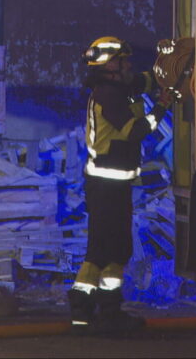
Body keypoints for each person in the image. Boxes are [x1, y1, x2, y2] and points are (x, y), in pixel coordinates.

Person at [68, 36, 179, 336]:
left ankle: (97, 307)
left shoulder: (118, 88)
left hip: (111, 184)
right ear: (110, 67)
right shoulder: (109, 96)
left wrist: (168, 71)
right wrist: (162, 106)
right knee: (109, 249)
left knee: (110, 249)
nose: (129, 65)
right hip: (107, 186)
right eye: (123, 61)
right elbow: (136, 131)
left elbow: (145, 81)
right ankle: (95, 310)